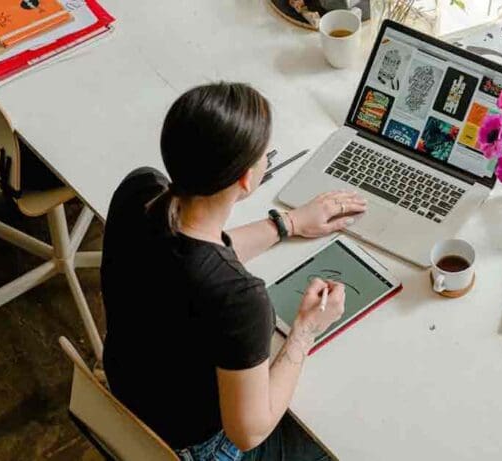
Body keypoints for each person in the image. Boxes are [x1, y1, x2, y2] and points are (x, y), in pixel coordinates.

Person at [100, 82, 367, 460]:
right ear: (245, 178)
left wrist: (287, 223)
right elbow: (248, 432)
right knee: (339, 441)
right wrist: (306, 330)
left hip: (126, 406)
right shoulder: (240, 298)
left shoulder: (140, 191)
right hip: (195, 448)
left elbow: (193, 251)